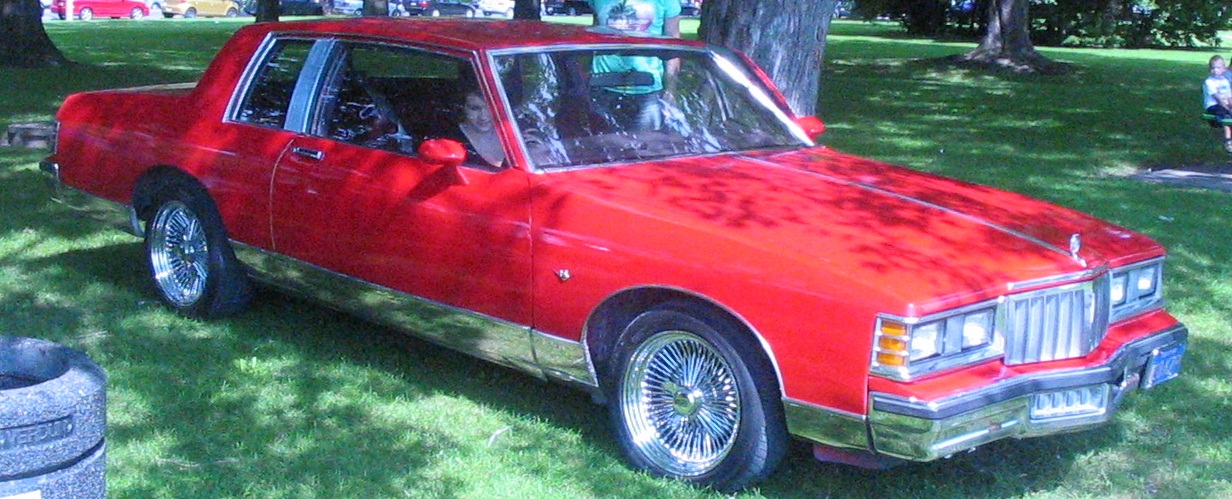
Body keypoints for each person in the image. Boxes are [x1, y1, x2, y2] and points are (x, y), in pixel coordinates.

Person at [587, 0, 682, 132]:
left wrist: (671, 89)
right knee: (603, 147)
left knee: (646, 147)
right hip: (603, 85)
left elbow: (673, 43)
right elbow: (594, 30)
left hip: (648, 88)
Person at [457, 89, 505, 167]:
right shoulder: (452, 137)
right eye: (475, 108)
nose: (483, 117)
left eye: (491, 108)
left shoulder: (514, 134)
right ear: (463, 108)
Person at [1202, 55, 1232, 153]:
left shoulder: (1225, 81)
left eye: (1218, 68)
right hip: (1213, 106)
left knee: (1228, 113)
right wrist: (1228, 108)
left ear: (1224, 69)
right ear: (1209, 69)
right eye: (1213, 68)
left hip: (1225, 105)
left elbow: (1229, 96)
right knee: (1226, 117)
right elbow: (1217, 98)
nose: (1215, 70)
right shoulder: (1209, 82)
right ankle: (1228, 141)